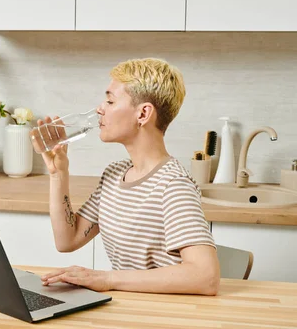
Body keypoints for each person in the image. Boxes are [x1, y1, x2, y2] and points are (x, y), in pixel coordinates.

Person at [32, 58, 220, 296]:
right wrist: (59, 173)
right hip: (124, 309)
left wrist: (107, 278)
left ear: (143, 113)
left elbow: (206, 277)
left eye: (110, 101)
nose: (100, 108)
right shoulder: (114, 175)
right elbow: (67, 240)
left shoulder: (173, 186)